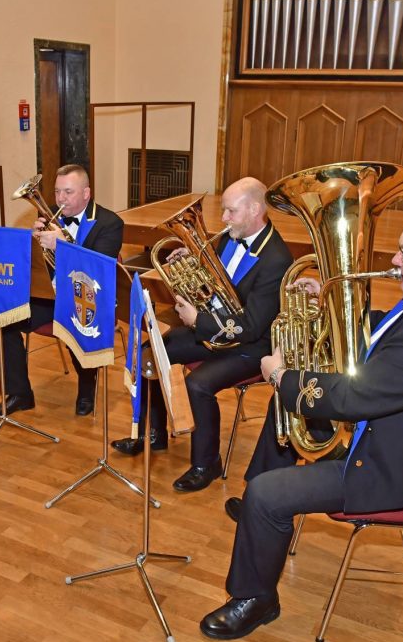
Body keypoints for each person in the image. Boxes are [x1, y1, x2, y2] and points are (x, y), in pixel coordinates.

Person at [200, 209, 403, 641]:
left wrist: (282, 377)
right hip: (402, 435)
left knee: (268, 490)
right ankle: (260, 522)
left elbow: (355, 398)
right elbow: (388, 333)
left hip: (392, 467)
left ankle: (255, 598)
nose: (395, 260)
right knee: (287, 413)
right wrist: (325, 301)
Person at [110, 177, 293, 493]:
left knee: (199, 384)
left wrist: (198, 321)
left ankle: (206, 463)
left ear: (255, 209)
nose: (223, 219)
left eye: (230, 212)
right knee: (150, 349)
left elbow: (250, 325)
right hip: (215, 329)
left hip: (252, 347)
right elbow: (217, 284)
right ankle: (152, 434)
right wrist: (192, 262)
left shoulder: (277, 259)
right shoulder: (229, 237)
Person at [0, 164, 124, 418]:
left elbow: (98, 268)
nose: (60, 199)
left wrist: (62, 245)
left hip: (88, 301)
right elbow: (36, 267)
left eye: (68, 192)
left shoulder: (110, 223)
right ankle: (20, 393)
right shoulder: (51, 219)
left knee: (75, 323)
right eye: (57, 192)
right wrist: (33, 244)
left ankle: (86, 389)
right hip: (49, 297)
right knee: (2, 321)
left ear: (86, 193)